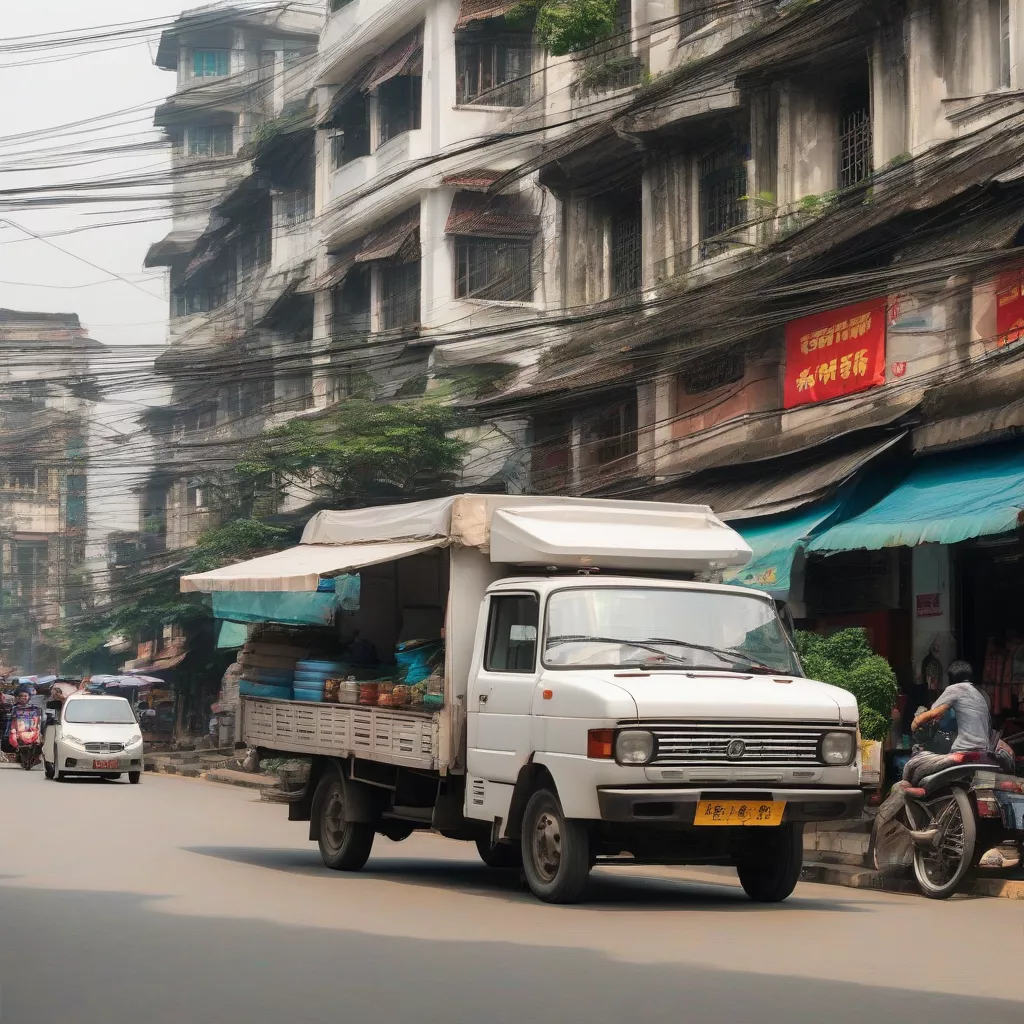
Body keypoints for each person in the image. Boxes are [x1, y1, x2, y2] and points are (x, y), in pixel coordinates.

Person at [911, 660, 991, 753]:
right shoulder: (983, 694)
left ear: (951, 678)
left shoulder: (955, 689)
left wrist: (916, 722)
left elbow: (933, 712)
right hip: (984, 748)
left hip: (963, 748)